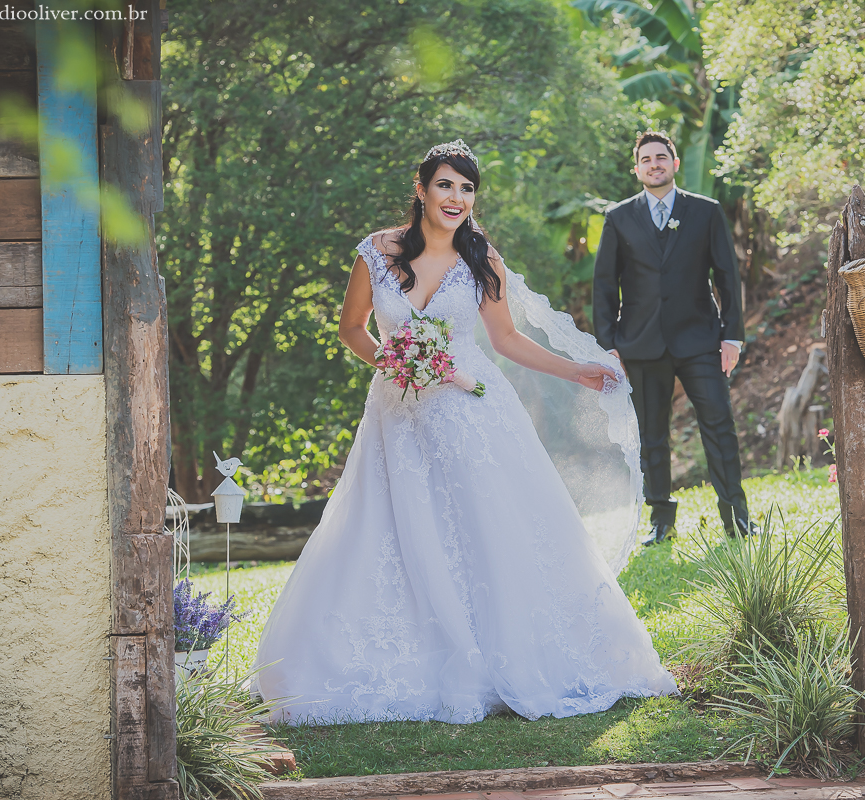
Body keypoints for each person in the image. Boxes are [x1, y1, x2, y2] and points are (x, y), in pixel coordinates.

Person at [252, 140, 677, 724]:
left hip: (474, 410)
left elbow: (505, 341)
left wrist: (577, 369)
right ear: (421, 188)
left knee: (489, 525)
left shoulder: (483, 260)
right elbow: (352, 328)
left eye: (467, 188)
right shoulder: (376, 253)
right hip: (397, 413)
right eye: (446, 185)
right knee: (389, 527)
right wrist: (396, 362)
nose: (457, 198)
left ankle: (512, 652)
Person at [593, 131, 756, 546]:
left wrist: (732, 338)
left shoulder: (705, 211)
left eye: (661, 157)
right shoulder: (619, 217)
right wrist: (608, 344)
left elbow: (727, 277)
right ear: (637, 169)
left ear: (675, 163)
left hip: (700, 339)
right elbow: (604, 285)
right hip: (641, 343)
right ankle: (660, 520)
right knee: (652, 435)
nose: (654, 164)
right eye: (645, 159)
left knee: (720, 425)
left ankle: (737, 518)